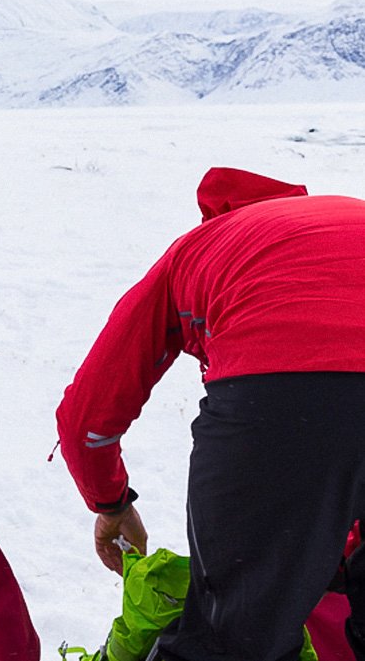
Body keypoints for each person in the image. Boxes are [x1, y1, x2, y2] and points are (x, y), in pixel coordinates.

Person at [56, 166, 365, 661]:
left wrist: (111, 503)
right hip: (303, 404)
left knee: (236, 635)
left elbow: (90, 413)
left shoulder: (202, 247)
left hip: (280, 393)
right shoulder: (348, 215)